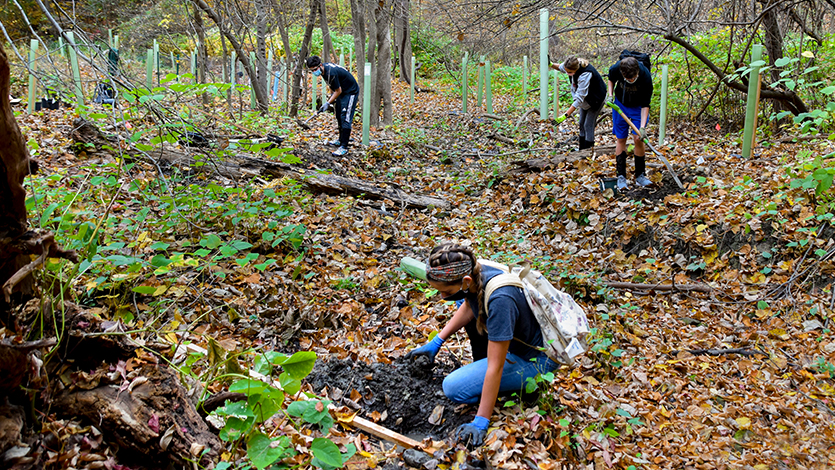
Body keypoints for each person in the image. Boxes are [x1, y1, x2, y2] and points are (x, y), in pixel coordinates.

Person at [404, 243, 558, 447]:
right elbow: (469, 305)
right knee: (460, 301)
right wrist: (436, 342)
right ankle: (484, 370)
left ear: (465, 280)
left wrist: (481, 421)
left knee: (453, 387)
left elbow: (496, 367)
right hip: (513, 338)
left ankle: (526, 387)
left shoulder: (500, 300)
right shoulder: (475, 270)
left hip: (535, 360)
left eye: (446, 290)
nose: (442, 296)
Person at [608, 56, 653, 190]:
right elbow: (611, 79)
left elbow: (646, 105)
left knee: (638, 138)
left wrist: (643, 127)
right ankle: (621, 176)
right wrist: (610, 95)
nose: (631, 80)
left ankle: (640, 176)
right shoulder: (617, 68)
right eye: (628, 79)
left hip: (638, 108)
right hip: (620, 106)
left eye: (633, 78)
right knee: (621, 139)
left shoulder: (645, 77)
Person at [305, 55, 359, 157]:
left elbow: (338, 90)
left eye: (315, 69)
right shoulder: (323, 71)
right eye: (312, 71)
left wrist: (328, 102)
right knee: (338, 114)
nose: (314, 72)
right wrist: (332, 99)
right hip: (341, 92)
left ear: (320, 65)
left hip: (350, 91)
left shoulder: (331, 72)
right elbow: (332, 86)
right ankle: (340, 140)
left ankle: (344, 146)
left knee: (345, 117)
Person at [551, 57, 607, 150]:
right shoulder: (571, 65)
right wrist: (550, 64)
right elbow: (560, 67)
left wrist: (565, 115)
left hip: (596, 99)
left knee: (588, 125)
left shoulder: (585, 74)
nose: (567, 74)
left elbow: (579, 98)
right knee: (581, 123)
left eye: (569, 72)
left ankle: (588, 151)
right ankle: (582, 150)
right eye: (566, 71)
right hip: (586, 99)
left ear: (576, 70)